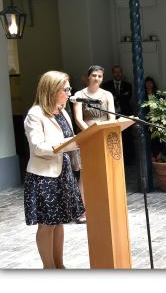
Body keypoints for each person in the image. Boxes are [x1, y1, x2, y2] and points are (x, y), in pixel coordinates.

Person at [23, 71, 84, 269]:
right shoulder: (35, 114)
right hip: (44, 176)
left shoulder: (63, 112)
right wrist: (68, 144)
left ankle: (60, 265)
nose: (69, 92)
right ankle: (48, 268)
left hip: (63, 174)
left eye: (69, 88)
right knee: (47, 224)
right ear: (51, 90)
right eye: (65, 89)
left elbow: (72, 142)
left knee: (58, 222)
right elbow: (38, 147)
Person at [72, 65, 115, 224]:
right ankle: (83, 210)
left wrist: (103, 132)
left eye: (100, 76)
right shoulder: (79, 94)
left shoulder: (107, 94)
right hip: (87, 135)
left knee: (104, 171)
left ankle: (103, 206)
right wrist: (91, 134)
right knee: (85, 174)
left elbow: (111, 116)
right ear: (88, 77)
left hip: (104, 135)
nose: (97, 78)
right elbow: (78, 118)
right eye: (94, 75)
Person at [101, 65, 134, 164]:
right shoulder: (106, 85)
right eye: (115, 72)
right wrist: (119, 97)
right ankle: (116, 160)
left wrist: (116, 97)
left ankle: (128, 160)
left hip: (125, 114)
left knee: (127, 137)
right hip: (112, 115)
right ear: (112, 73)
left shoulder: (128, 85)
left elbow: (126, 99)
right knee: (114, 137)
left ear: (122, 73)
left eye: (119, 72)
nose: (117, 74)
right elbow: (107, 100)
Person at [143, 77, 163, 161]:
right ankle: (152, 156)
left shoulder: (157, 94)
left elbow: (162, 104)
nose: (149, 85)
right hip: (147, 120)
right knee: (150, 139)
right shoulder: (143, 95)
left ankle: (159, 155)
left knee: (157, 138)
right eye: (147, 83)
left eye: (150, 83)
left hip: (157, 119)